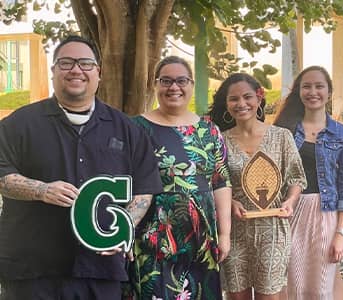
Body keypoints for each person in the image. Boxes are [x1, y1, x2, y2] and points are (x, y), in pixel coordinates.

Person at [0, 35, 163, 300]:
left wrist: (124, 227)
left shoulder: (128, 129)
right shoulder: (19, 124)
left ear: (98, 73)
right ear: (53, 71)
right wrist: (40, 190)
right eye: (66, 63)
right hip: (31, 270)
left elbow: (144, 188)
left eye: (86, 64)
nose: (76, 70)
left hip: (100, 270)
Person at [126, 56, 232, 300]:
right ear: (156, 85)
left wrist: (224, 235)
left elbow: (220, 182)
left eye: (181, 80)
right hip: (152, 238)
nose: (174, 87)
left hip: (202, 239)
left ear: (192, 85)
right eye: (166, 81)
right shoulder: (136, 128)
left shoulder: (209, 130)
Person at [209, 73, 306, 300]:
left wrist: (290, 201)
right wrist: (230, 202)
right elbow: (214, 183)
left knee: (269, 296)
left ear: (259, 98)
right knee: (236, 296)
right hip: (233, 231)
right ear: (226, 103)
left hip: (273, 230)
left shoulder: (281, 137)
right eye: (234, 99)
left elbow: (296, 178)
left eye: (247, 97)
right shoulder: (219, 141)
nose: (241, 104)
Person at [274, 65, 343, 300]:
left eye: (319, 86)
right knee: (291, 282)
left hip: (325, 215)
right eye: (306, 86)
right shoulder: (283, 130)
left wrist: (341, 232)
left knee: (321, 284)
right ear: (299, 91)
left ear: (329, 92)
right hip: (289, 213)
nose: (313, 91)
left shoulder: (341, 133)